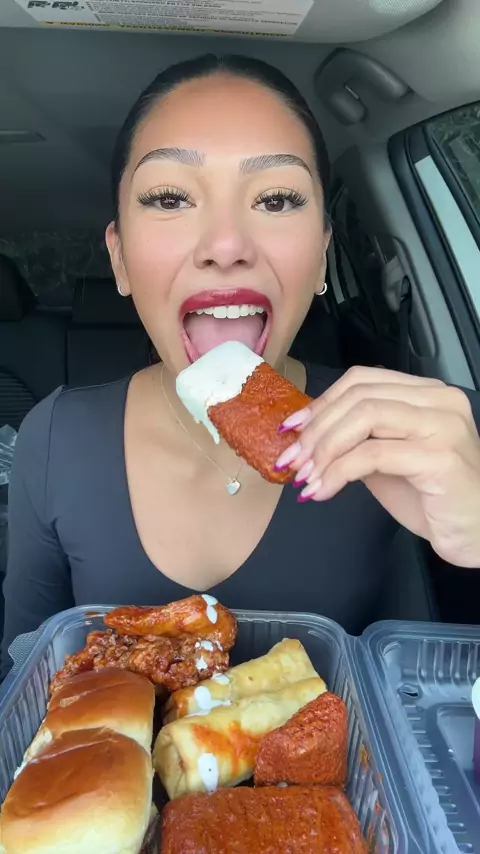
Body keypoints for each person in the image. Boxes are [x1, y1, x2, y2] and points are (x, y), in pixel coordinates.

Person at [2, 55, 480, 678]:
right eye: (170, 198)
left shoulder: (391, 439)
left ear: (322, 257)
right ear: (119, 259)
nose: (226, 245)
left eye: (276, 199)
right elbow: (24, 680)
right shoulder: (53, 440)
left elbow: (428, 691)